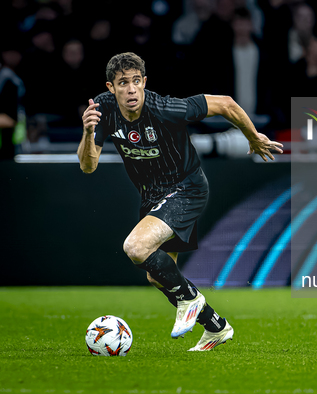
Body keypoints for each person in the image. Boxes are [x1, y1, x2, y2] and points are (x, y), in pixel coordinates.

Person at [77, 52, 283, 351]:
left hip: (187, 189)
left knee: (136, 247)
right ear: (111, 87)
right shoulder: (103, 110)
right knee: (157, 275)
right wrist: (87, 132)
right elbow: (87, 166)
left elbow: (224, 102)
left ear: (144, 82)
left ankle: (190, 300)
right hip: (154, 197)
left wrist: (252, 137)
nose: (131, 89)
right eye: (123, 83)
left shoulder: (165, 108)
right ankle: (216, 327)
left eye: (137, 81)